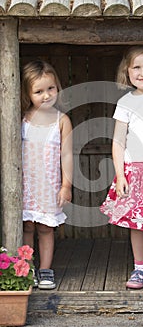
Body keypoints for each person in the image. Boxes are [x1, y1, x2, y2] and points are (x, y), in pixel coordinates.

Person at [100, 45, 143, 290]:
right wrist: (120, 175)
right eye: (137, 67)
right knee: (136, 224)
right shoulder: (125, 101)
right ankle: (139, 266)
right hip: (132, 171)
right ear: (127, 71)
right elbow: (118, 141)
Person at [21, 60, 73, 290]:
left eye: (50, 89)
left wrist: (66, 186)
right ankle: (25, 267)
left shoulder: (61, 120)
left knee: (45, 228)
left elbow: (67, 155)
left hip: (49, 186)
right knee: (27, 227)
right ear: (27, 93)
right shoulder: (22, 118)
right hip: (25, 185)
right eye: (38, 91)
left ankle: (45, 270)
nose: (46, 95)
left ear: (57, 87)